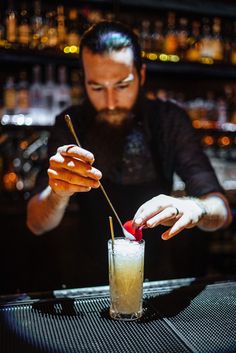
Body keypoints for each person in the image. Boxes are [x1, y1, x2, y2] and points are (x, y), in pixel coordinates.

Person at [27, 20, 232, 288]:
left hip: (159, 283)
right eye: (97, 88)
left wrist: (196, 207)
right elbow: (35, 223)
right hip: (87, 285)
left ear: (141, 75)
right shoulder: (72, 124)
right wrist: (57, 193)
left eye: (122, 85)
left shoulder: (169, 121)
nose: (110, 102)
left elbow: (222, 211)